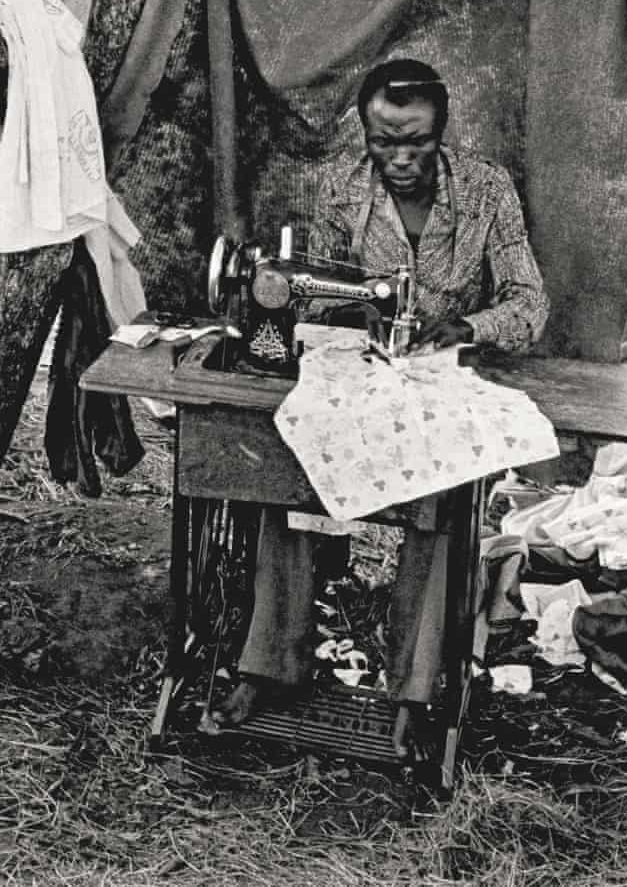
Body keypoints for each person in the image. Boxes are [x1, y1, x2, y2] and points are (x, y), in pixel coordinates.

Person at [212, 58, 548, 750]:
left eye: (416, 144)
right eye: (383, 142)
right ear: (364, 133)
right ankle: (270, 666)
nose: (399, 159)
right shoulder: (340, 187)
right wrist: (342, 329)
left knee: (441, 508)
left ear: (443, 132)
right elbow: (319, 290)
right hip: (362, 373)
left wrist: (469, 326)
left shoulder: (487, 192)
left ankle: (414, 691)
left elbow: (529, 305)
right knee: (292, 474)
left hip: (445, 381)